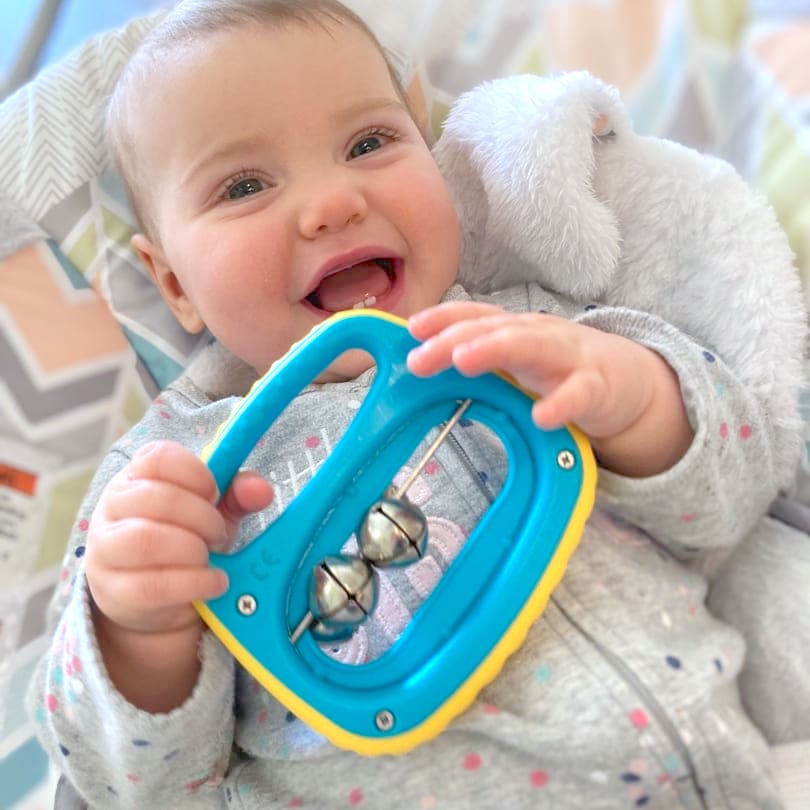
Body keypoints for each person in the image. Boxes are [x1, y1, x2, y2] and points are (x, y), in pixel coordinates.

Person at [28, 1, 798, 807]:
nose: (333, 201)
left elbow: (733, 503)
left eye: (369, 143)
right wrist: (136, 631)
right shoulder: (172, 477)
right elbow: (127, 783)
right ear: (175, 285)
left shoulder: (532, 335)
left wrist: (637, 398)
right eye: (244, 185)